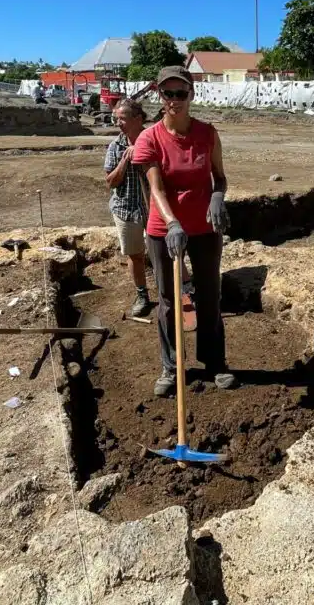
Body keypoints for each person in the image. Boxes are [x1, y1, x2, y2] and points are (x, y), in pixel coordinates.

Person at [132, 66, 233, 396]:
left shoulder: (208, 134)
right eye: (167, 93)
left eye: (181, 93)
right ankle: (171, 365)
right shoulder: (150, 138)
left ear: (191, 95)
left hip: (205, 228)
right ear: (159, 96)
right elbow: (156, 188)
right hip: (164, 230)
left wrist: (218, 195)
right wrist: (172, 223)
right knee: (167, 299)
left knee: (209, 294)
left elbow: (219, 176)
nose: (174, 100)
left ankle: (214, 362)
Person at [103, 98, 151, 317]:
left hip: (153, 209)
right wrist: (125, 160)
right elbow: (110, 182)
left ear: (138, 119)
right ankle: (142, 295)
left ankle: (178, 292)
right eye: (116, 119)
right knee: (135, 255)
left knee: (165, 253)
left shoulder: (153, 141)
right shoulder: (115, 146)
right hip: (125, 208)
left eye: (122, 118)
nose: (118, 123)